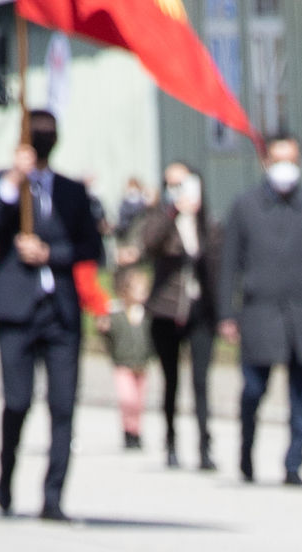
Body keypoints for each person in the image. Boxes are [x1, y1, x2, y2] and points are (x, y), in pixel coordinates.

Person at [0, 111, 108, 520]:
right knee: (17, 401)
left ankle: (53, 496)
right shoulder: (4, 184)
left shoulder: (71, 190)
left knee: (63, 405)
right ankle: (6, 475)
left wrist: (51, 254)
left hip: (60, 312)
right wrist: (14, 180)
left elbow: (92, 248)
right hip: (17, 309)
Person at [218, 133, 302, 486]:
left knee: (301, 393)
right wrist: (227, 314)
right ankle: (246, 453)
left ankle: (294, 463)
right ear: (265, 163)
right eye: (277, 160)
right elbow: (229, 265)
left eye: (291, 160)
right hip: (260, 311)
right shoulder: (245, 206)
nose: (285, 167)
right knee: (254, 389)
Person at [131, 161, 222, 470]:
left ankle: (205, 445)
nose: (177, 190)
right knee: (171, 380)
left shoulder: (207, 223)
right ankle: (170, 440)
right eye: (171, 184)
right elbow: (149, 243)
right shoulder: (161, 218)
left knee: (201, 381)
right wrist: (172, 213)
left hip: (200, 311)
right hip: (166, 311)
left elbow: (216, 264)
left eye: (182, 183)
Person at [105, 262, 154, 449]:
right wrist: (104, 329)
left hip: (141, 364)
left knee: (139, 402)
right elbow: (109, 337)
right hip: (123, 363)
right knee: (128, 399)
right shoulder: (116, 313)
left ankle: (136, 431)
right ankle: (127, 429)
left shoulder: (147, 315)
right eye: (138, 290)